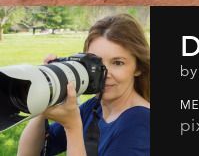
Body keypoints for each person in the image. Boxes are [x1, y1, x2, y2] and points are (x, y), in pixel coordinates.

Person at [17, 14, 150, 156]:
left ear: (138, 67)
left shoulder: (141, 122)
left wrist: (72, 127)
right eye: (96, 63)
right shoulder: (94, 108)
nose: (104, 74)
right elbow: (29, 153)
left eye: (118, 63)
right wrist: (47, 96)